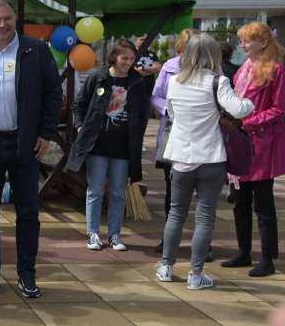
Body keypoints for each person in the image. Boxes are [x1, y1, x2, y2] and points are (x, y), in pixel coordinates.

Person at [0, 0, 62, 298]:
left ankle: (27, 274)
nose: (2, 24)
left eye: (7, 18)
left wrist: (46, 132)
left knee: (28, 212)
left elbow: (53, 93)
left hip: (25, 143)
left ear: (14, 19)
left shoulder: (36, 50)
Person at [156, 33, 253, 289]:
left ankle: (166, 266)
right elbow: (239, 110)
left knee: (176, 214)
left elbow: (172, 114)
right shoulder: (218, 82)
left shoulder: (175, 80)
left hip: (180, 158)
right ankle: (195, 275)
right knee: (205, 217)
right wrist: (250, 101)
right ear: (214, 56)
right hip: (210, 157)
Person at [67, 39, 150, 252]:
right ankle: (93, 233)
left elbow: (142, 113)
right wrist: (80, 127)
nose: (128, 63)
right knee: (95, 190)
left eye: (131, 59)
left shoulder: (136, 82)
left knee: (117, 192)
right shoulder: (98, 76)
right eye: (124, 58)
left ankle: (114, 234)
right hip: (98, 144)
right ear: (114, 57)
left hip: (123, 147)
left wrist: (138, 136)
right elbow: (79, 104)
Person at [222, 22, 285, 277]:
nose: (242, 45)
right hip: (239, 141)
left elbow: (279, 109)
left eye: (247, 40)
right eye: (241, 40)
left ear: (263, 42)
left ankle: (267, 259)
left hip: (261, 144)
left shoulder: (277, 70)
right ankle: (243, 252)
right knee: (240, 201)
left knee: (263, 204)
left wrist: (247, 122)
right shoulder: (244, 68)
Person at [151, 28, 200, 253]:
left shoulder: (209, 68)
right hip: (173, 132)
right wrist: (168, 111)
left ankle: (203, 242)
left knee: (201, 192)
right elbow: (156, 96)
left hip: (201, 135)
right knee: (172, 189)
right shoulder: (169, 67)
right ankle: (168, 239)